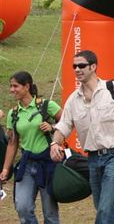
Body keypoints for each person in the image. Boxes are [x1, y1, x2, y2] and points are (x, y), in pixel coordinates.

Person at [50, 50, 114, 224]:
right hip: (92, 160)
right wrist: (55, 143)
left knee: (105, 211)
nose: (77, 69)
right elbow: (63, 126)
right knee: (103, 209)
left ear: (93, 66)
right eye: (74, 66)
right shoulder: (73, 100)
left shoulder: (113, 89)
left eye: (81, 65)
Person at [0, 71, 62, 224]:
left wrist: (52, 127)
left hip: (48, 163)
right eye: (11, 86)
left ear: (27, 86)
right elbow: (12, 143)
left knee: (50, 212)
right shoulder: (13, 114)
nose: (12, 90)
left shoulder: (47, 105)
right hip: (26, 165)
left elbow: (67, 123)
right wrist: (6, 169)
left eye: (15, 86)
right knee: (22, 207)